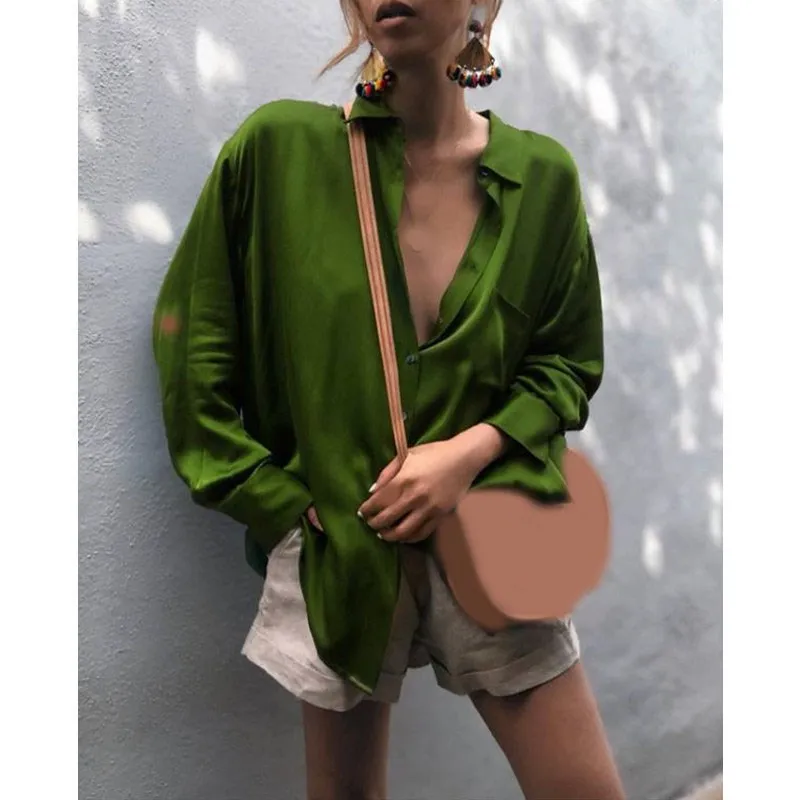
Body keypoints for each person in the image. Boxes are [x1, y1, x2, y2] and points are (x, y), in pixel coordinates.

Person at [152, 1, 626, 797]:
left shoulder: (542, 178)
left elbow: (567, 361)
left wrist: (469, 452)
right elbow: (192, 344)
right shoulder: (280, 152)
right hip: (339, 539)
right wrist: (279, 505)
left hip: (492, 522)